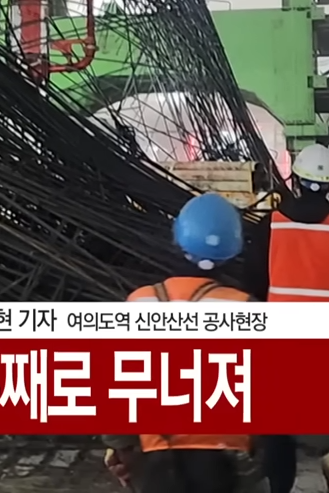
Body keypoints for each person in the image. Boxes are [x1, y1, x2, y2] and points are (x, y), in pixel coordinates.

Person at [102, 192, 267, 493]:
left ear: (177, 240)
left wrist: (120, 446)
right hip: (227, 465)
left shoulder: (139, 302)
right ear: (233, 251)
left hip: (157, 462)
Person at [241, 143, 329, 493]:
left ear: (296, 180)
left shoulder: (270, 227)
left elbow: (252, 285)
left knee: (277, 431)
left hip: (281, 344)